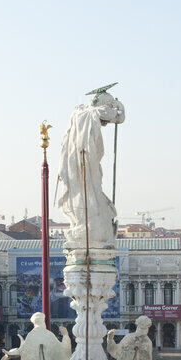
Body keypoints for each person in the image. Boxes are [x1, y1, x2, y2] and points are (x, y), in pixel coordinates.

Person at [57, 87, 125, 250]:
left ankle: (82, 227)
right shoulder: (96, 111)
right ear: (104, 104)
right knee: (91, 195)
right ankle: (89, 230)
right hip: (85, 161)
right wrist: (119, 105)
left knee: (81, 194)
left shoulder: (77, 113)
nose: (104, 124)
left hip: (73, 162)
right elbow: (119, 117)